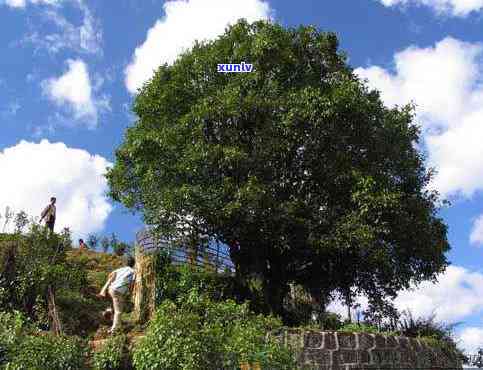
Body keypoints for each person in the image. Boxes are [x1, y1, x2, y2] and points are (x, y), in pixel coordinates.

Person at [97, 255, 136, 334]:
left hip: (110, 289)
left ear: (125, 263)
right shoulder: (133, 271)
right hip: (119, 292)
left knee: (115, 306)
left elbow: (110, 276)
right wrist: (130, 293)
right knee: (118, 311)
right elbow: (132, 284)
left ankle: (108, 311)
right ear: (133, 264)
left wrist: (103, 290)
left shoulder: (119, 269)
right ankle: (114, 330)